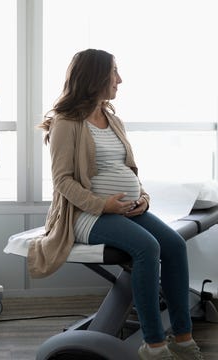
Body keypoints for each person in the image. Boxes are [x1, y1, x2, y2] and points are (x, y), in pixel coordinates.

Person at [28, 49, 204, 360]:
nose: (119, 80)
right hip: (86, 215)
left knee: (174, 245)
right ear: (95, 77)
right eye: (114, 73)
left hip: (126, 209)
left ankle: (183, 338)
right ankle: (154, 345)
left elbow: (129, 170)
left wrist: (143, 199)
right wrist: (103, 205)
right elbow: (63, 182)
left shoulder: (112, 119)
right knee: (147, 248)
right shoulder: (66, 122)